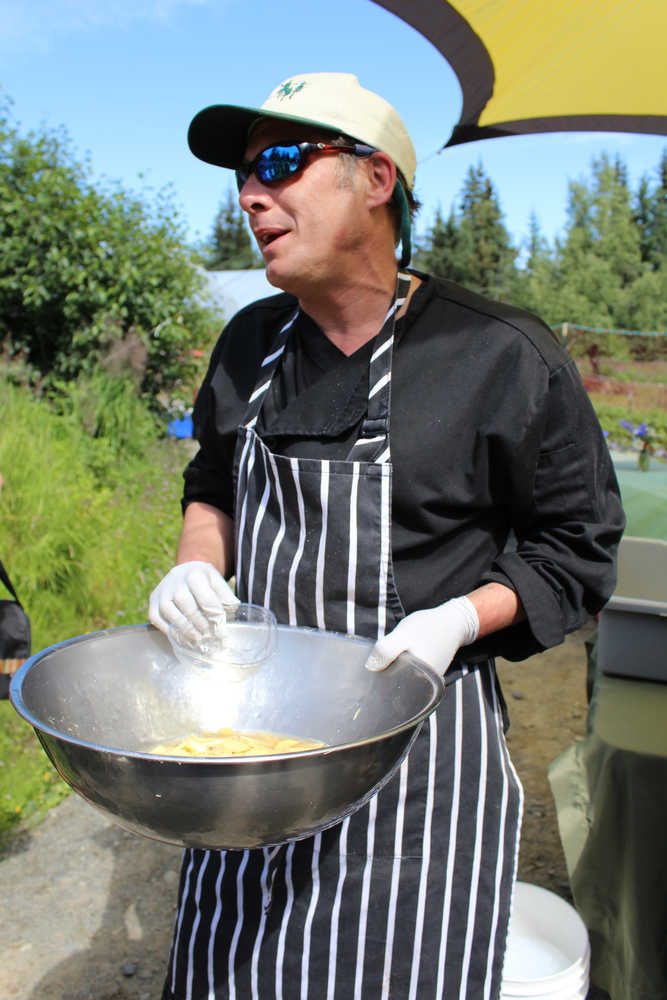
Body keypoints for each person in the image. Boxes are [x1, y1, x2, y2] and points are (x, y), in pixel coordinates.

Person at [148, 73, 625, 1000]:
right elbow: (210, 486)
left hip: (417, 770)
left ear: (373, 180)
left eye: (280, 163)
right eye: (243, 175)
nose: (252, 194)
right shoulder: (249, 343)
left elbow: (575, 549)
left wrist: (458, 618)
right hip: (253, 750)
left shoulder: (499, 355)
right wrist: (194, 565)